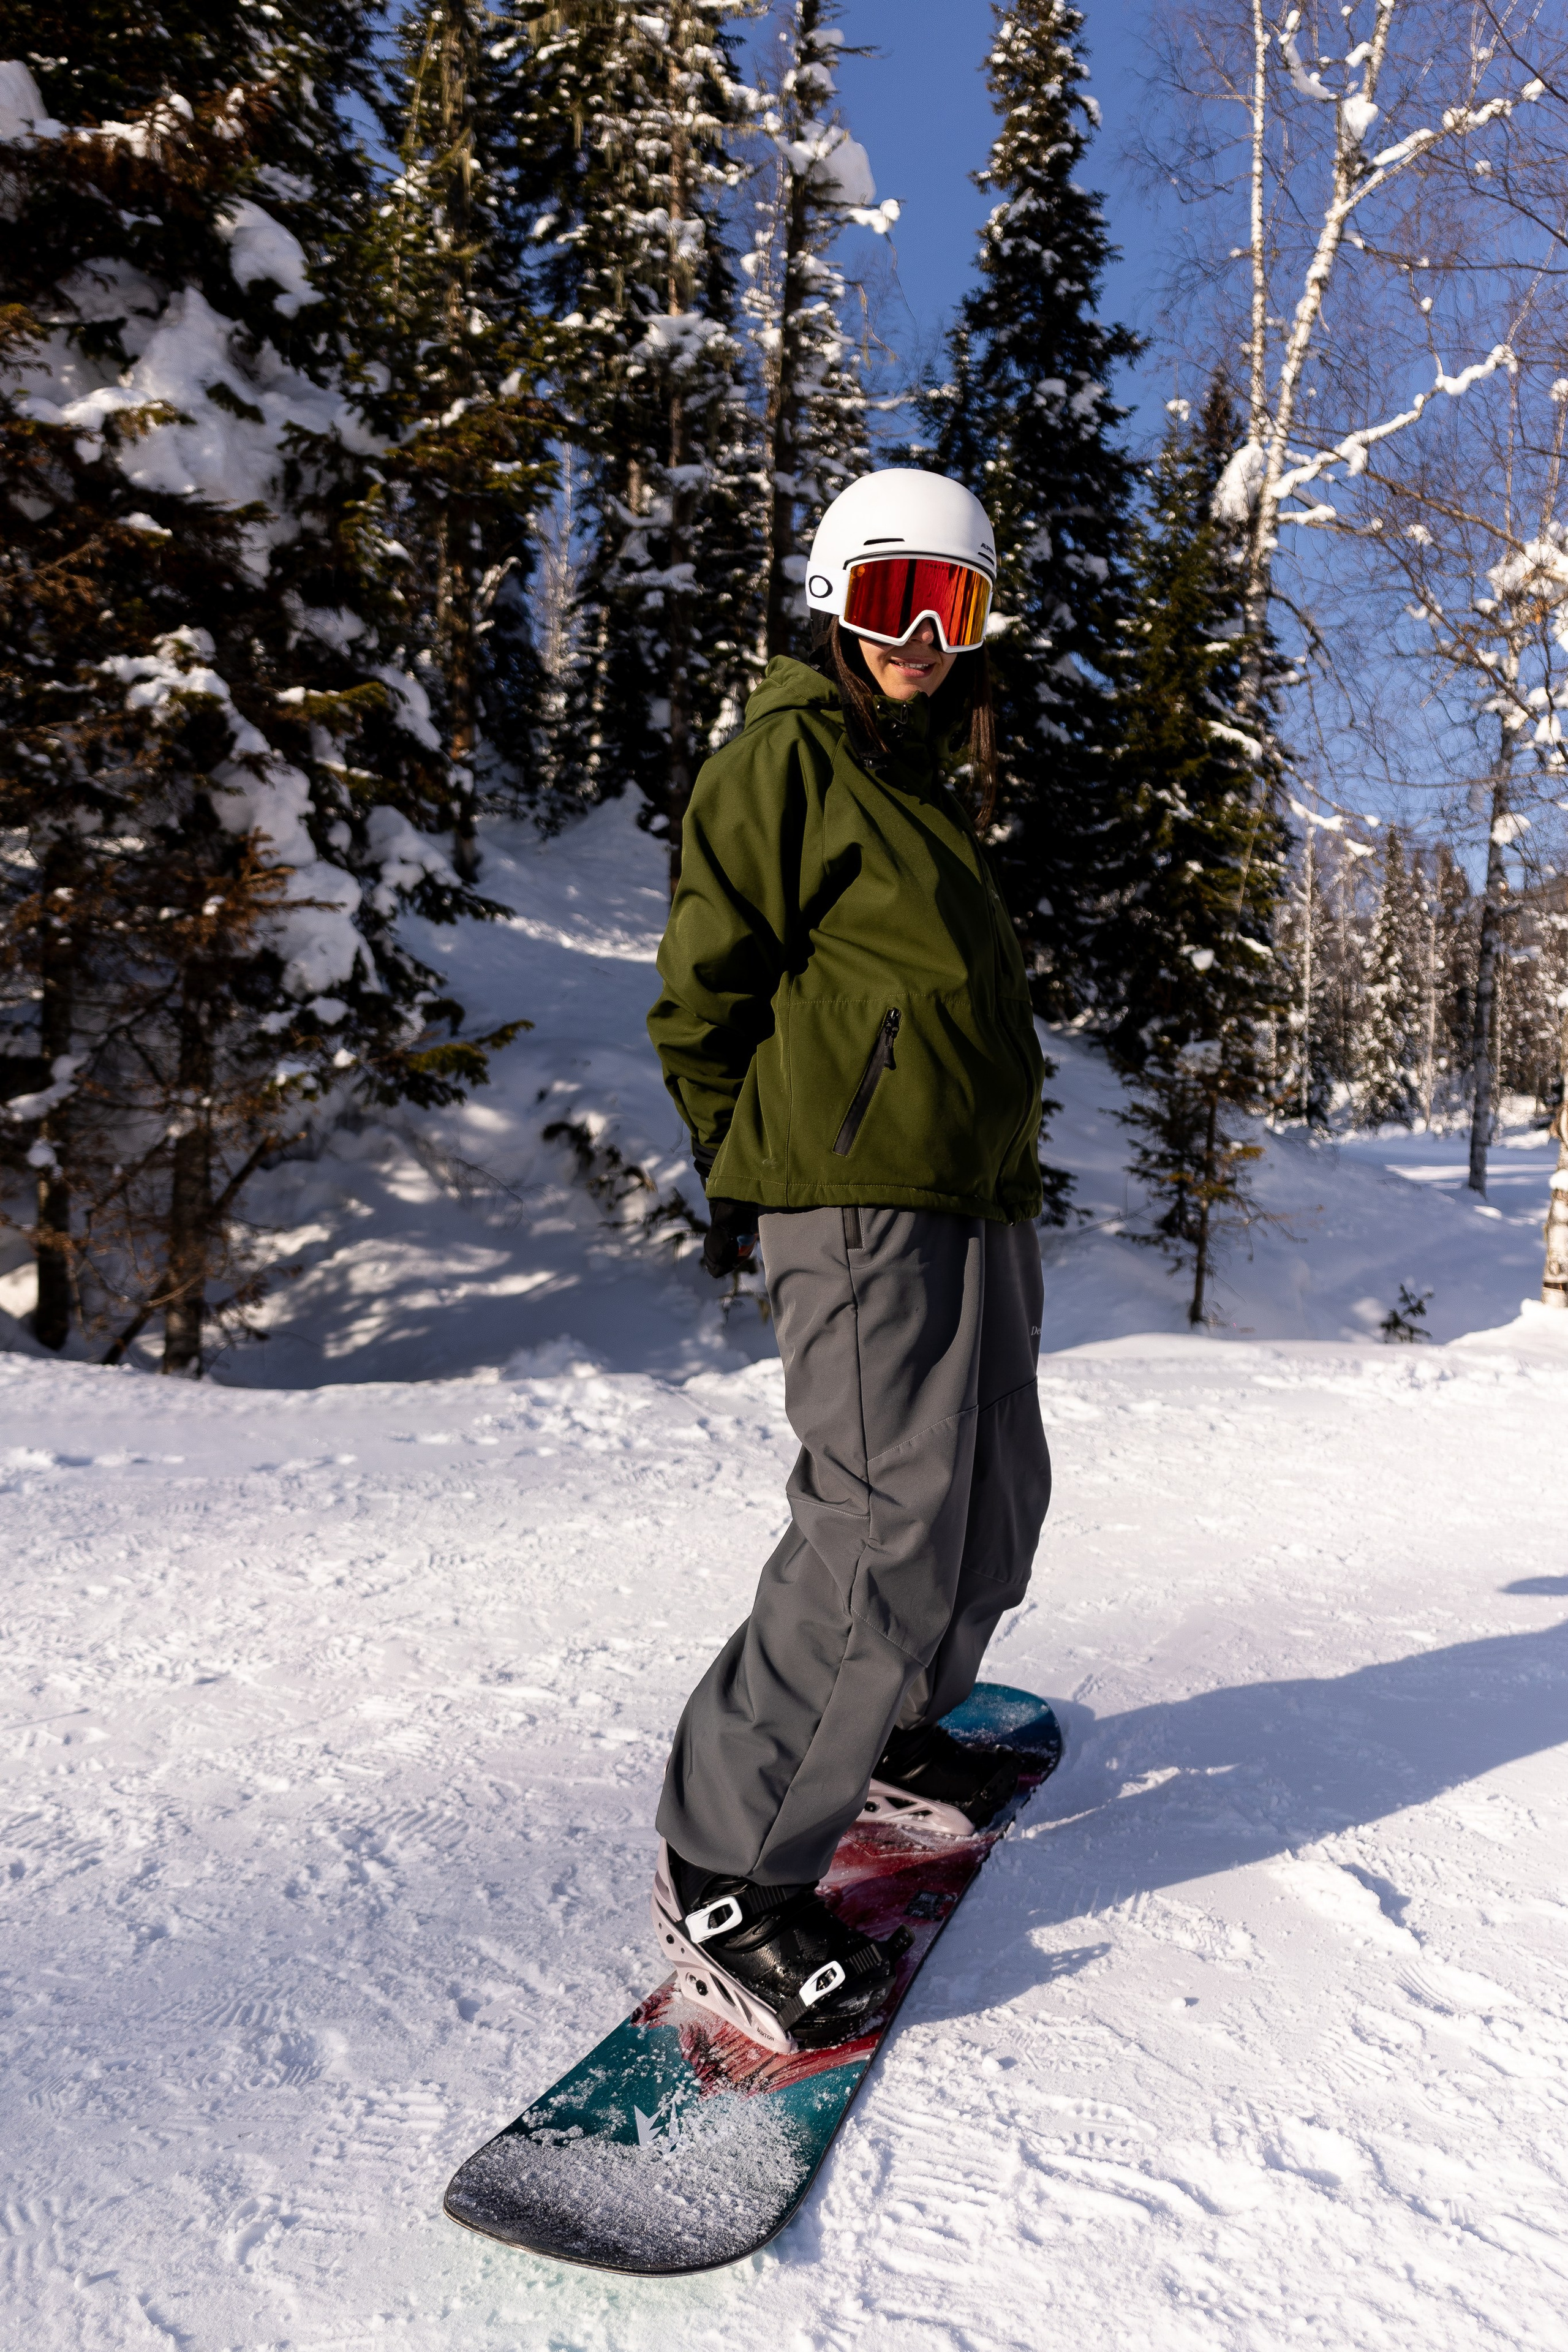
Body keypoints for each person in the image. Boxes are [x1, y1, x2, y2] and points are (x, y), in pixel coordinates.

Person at [644, 469, 1053, 2053]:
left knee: (993, 1497)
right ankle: (733, 1867)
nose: (921, 638)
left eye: (952, 609)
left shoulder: (924, 796)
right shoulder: (790, 759)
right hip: (857, 1193)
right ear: (835, 600)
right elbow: (705, 998)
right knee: (880, 1524)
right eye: (893, 600)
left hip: (973, 1191)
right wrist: (769, 1165)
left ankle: (890, 1727)